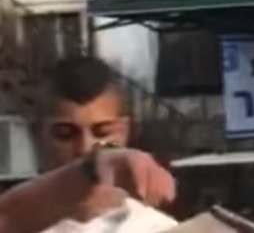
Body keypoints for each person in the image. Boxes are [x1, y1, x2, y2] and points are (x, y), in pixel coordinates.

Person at [0, 56, 177, 233]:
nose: (84, 148)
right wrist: (90, 169)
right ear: (36, 134)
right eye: (65, 134)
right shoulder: (16, 221)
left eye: (102, 133)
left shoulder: (157, 228)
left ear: (124, 132)